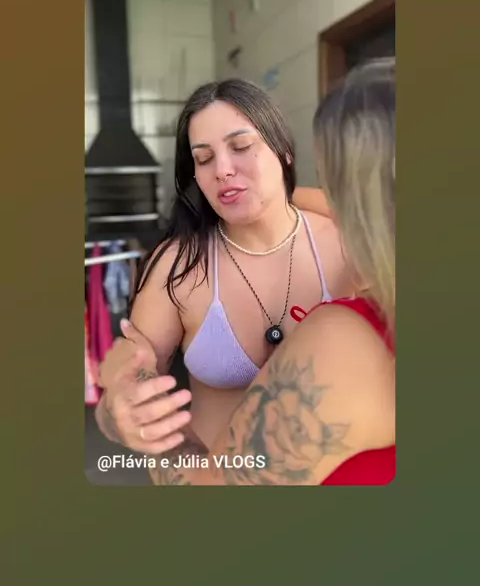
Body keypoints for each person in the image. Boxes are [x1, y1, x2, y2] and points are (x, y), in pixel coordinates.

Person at [109, 57, 396, 485]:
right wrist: (123, 404)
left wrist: (280, 195)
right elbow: (130, 365)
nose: (223, 169)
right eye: (203, 159)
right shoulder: (179, 264)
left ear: (284, 151)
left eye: (242, 147)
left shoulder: (350, 243)